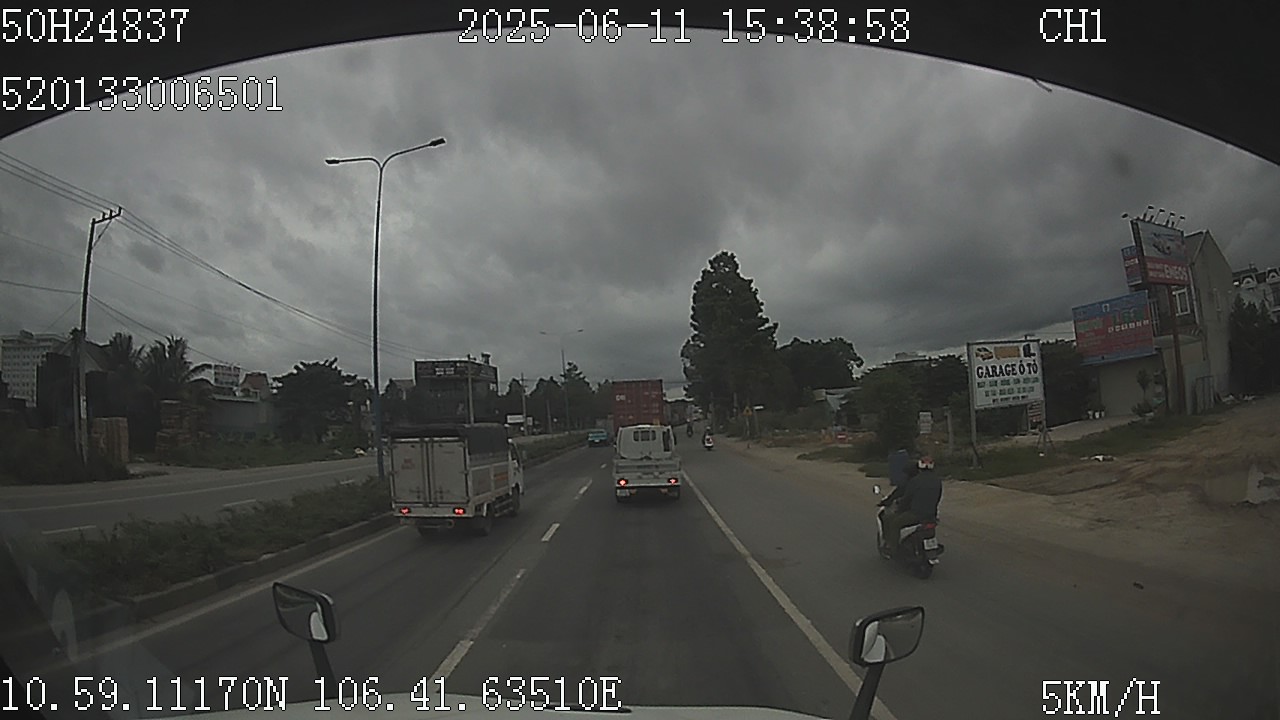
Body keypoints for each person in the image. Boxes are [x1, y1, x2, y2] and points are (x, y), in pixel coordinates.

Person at [879, 454, 943, 555]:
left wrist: (899, 509)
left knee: (893, 523)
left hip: (916, 515)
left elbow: (906, 499)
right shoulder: (937, 481)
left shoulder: (915, 481)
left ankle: (892, 549)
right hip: (931, 515)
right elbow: (938, 497)